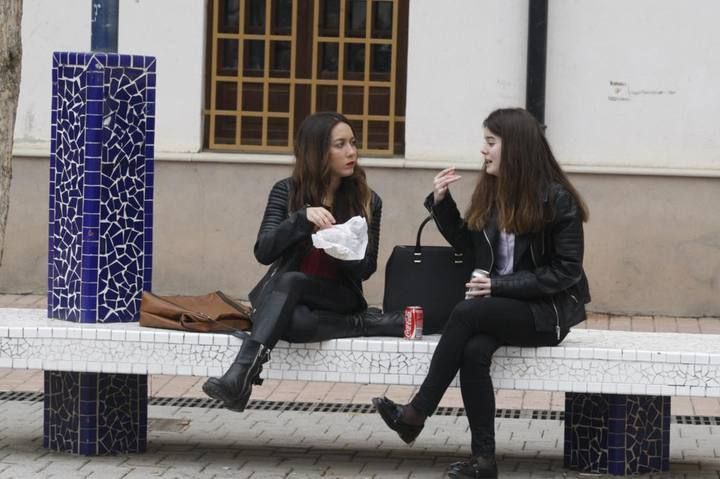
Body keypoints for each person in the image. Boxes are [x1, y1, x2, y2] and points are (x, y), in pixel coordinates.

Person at [372, 108, 590, 479]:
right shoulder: (493, 192)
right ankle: (483, 462)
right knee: (473, 352)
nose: (482, 151)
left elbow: (566, 271)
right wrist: (442, 204)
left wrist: (498, 285)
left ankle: (416, 412)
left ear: (516, 148)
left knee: (467, 313)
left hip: (545, 313)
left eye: (490, 142)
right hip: (499, 307)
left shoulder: (556, 200)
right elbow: (468, 244)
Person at [203, 112, 403, 412]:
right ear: (317, 151)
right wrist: (300, 219)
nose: (352, 152)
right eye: (340, 144)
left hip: (338, 296)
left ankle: (239, 376)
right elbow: (264, 251)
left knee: (291, 281)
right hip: (289, 302)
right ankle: (359, 325)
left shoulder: (367, 200)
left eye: (352, 143)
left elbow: (366, 269)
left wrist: (341, 246)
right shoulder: (286, 192)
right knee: (297, 320)